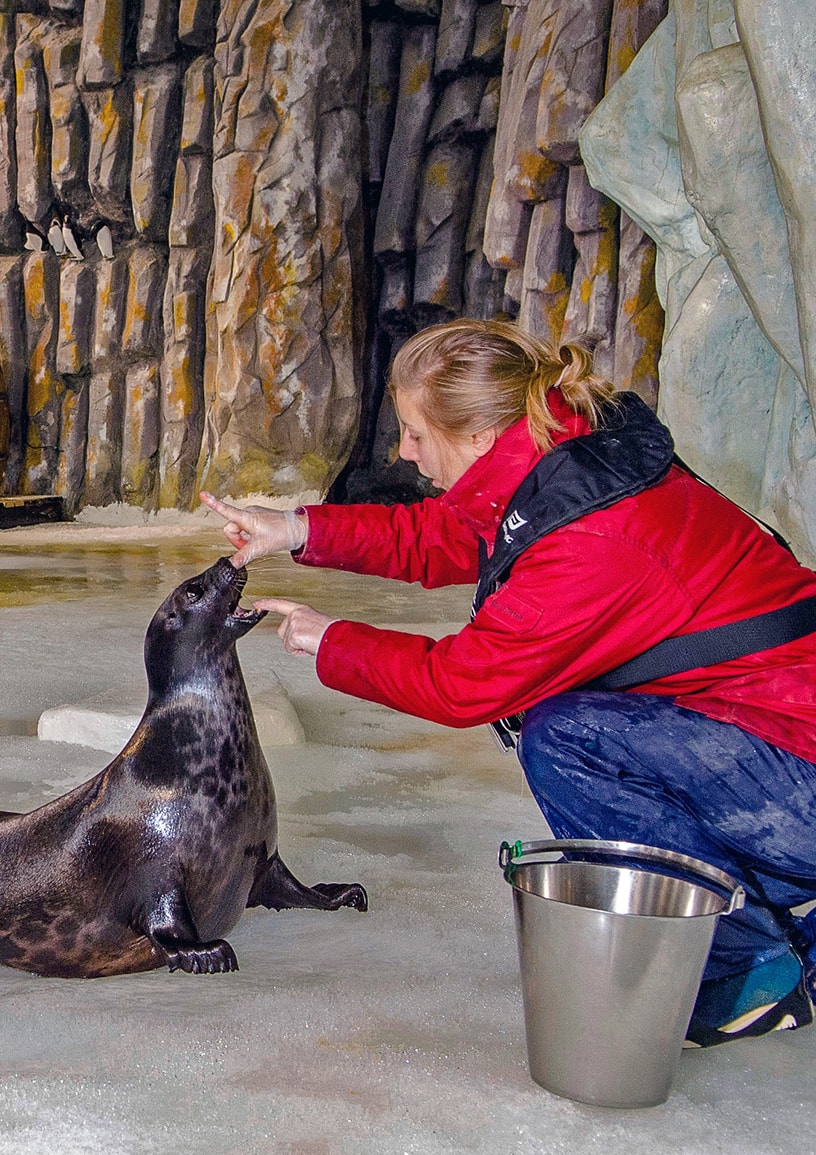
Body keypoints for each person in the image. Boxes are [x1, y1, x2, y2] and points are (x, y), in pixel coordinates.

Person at [206, 318, 816, 1048]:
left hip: (796, 767)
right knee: (573, 716)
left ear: (474, 437)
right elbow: (445, 535)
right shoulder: (560, 455)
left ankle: (747, 971)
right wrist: (298, 529)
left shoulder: (592, 538)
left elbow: (462, 684)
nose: (403, 451)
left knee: (566, 735)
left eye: (414, 433)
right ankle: (784, 906)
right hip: (773, 736)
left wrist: (328, 638)